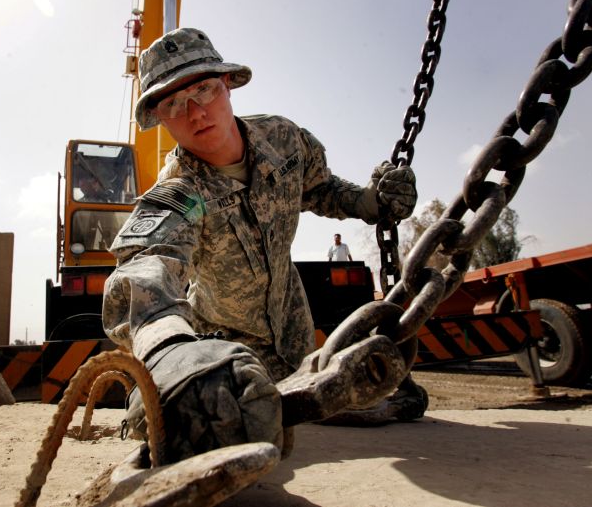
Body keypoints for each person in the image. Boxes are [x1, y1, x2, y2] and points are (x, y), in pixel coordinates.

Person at [102, 28, 419, 464]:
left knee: (389, 402)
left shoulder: (285, 142)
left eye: (204, 90)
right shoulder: (180, 191)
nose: (195, 112)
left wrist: (372, 202)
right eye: (174, 103)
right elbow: (146, 266)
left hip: (299, 345)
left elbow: (322, 189)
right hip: (229, 363)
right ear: (160, 117)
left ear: (227, 84)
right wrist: (168, 350)